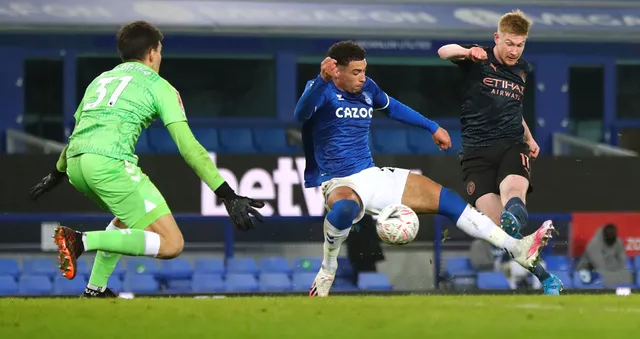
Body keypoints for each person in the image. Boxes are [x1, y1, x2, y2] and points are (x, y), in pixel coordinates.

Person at [294, 40, 554, 297]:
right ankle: (328, 267)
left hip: (370, 175)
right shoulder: (321, 89)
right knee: (346, 208)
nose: (363, 77)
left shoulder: (368, 89)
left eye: (364, 71)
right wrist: (320, 80)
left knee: (448, 199)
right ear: (335, 71)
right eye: (356, 72)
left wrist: (432, 127)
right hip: (339, 181)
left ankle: (515, 246)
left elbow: (394, 107)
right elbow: (301, 114)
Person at [29, 21, 264, 298]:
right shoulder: (159, 86)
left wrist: (56, 174)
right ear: (152, 53)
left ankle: (95, 289)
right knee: (171, 244)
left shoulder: (100, 81)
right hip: (109, 163)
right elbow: (188, 146)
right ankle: (80, 240)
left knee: (126, 220)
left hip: (76, 166)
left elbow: (77, 135)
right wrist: (227, 194)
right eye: (160, 52)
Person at [437, 9, 563, 295]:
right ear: (497, 38)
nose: (514, 50)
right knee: (502, 233)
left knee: (514, 195)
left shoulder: (522, 70)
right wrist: (468, 53)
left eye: (520, 45)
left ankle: (515, 215)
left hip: (511, 144)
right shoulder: (477, 59)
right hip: (475, 154)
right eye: (509, 43)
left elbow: (513, 109)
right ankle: (547, 278)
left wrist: (529, 138)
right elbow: (443, 51)